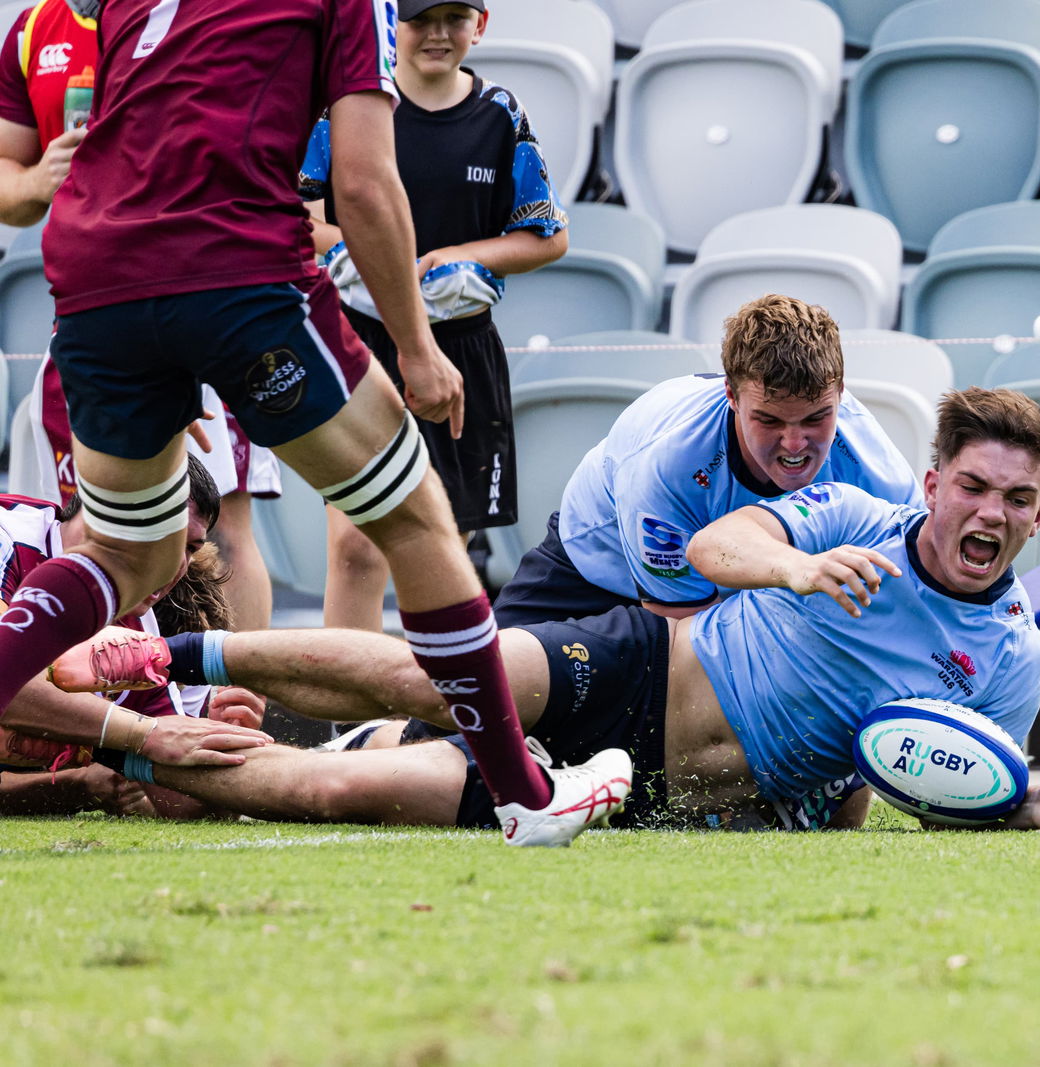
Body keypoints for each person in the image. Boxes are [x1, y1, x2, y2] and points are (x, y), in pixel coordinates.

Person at [0, 0, 598, 848]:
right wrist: (419, 349)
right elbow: (361, 182)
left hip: (96, 273)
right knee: (416, 516)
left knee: (123, 552)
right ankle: (526, 796)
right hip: (235, 267)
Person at [57, 389, 1040, 834]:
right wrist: (795, 570)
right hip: (639, 661)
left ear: (1038, 515)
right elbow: (713, 546)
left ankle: (126, 755)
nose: (990, 512)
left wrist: (1019, 803)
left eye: (1015, 500)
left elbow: (943, 776)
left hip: (652, 793)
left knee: (345, 785)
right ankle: (158, 646)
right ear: (933, 487)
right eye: (973, 486)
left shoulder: (1012, 657)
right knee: (428, 672)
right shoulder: (855, 516)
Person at [0, 0, 282, 632]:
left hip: (208, 303)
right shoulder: (33, 30)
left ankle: (236, 706)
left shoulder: (206, 12)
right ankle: (118, 698)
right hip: (86, 318)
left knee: (216, 526)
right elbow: (7, 184)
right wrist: (36, 181)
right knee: (88, 522)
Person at [298, 0, 569, 631]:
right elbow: (294, 215)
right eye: (422, 18)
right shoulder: (347, 108)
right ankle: (352, 721)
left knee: (447, 552)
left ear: (481, 24)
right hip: (356, 343)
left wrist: (459, 257)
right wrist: (353, 250)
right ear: (393, 26)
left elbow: (547, 235)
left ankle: (446, 716)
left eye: (455, 16)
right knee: (356, 548)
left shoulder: (500, 114)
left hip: (461, 350)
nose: (439, 34)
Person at [495, 293, 922, 627]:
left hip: (748, 581)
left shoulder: (875, 467)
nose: (795, 444)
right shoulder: (669, 463)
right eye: (769, 420)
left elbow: (918, 595)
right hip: (598, 568)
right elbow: (679, 635)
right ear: (731, 396)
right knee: (467, 696)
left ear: (841, 391)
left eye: (816, 418)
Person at [0, 454, 272, 816]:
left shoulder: (138, 633)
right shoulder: (9, 535)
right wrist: (142, 734)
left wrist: (217, 744)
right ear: (109, 513)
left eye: (191, 548)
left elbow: (181, 799)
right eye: (165, 538)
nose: (176, 567)